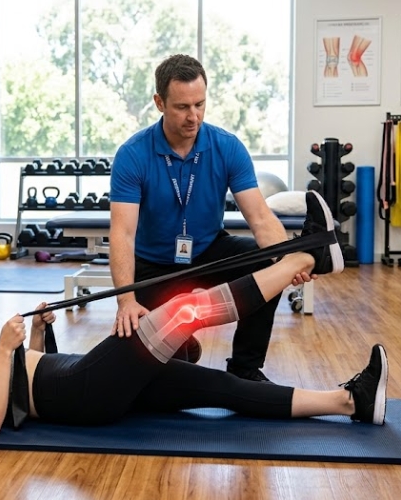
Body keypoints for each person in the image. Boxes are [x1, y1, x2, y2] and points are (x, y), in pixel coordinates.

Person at [0, 194, 384, 436]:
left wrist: (40, 335)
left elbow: (28, 380)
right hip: (86, 390)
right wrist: (2, 350)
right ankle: (307, 255)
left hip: (79, 379)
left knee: (215, 388)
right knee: (182, 312)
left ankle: (349, 401)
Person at [109, 54, 341, 382]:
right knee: (166, 371)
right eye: (182, 107)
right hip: (152, 266)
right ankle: (183, 345)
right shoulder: (133, 155)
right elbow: (122, 234)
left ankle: (246, 368)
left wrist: (285, 264)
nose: (194, 116)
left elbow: (260, 217)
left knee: (267, 264)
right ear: (159, 102)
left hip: (207, 253)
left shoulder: (227, 147)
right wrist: (126, 300)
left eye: (200, 104)